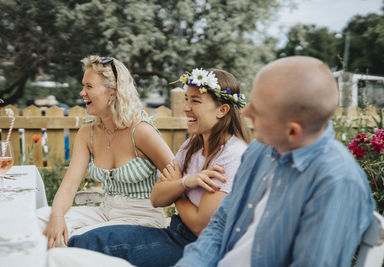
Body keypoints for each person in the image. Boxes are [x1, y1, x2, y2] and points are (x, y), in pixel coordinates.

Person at [175, 56, 375, 267]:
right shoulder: (260, 150)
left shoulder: (336, 183)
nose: (245, 112)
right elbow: (221, 223)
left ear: (292, 130)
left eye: (259, 109)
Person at [65, 68, 251, 266]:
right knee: (84, 240)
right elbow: (157, 198)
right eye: (187, 99)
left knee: (93, 246)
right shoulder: (192, 145)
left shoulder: (231, 155)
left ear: (222, 110)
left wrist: (177, 187)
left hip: (197, 246)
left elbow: (199, 226)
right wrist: (185, 182)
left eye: (195, 101)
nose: (186, 107)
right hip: (174, 231)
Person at [37, 55, 174, 249]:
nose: (82, 92)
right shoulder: (88, 133)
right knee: (39, 220)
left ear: (112, 92)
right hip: (105, 211)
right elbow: (69, 186)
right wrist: (57, 217)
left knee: (75, 239)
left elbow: (177, 176)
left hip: (142, 219)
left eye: (89, 86)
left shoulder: (141, 131)